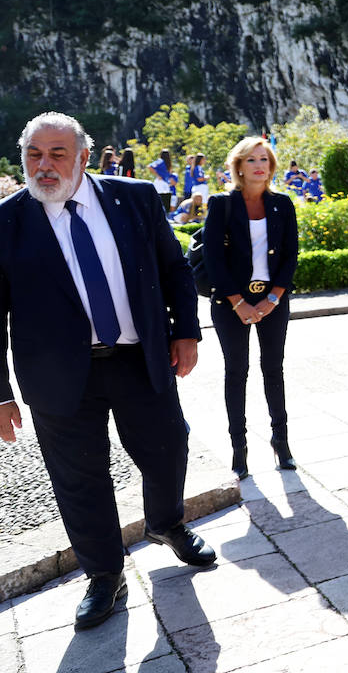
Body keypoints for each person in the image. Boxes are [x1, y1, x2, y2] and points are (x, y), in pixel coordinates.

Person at [0, 113, 215, 630]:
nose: (44, 166)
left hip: (139, 358)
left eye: (56, 155)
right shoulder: (6, 222)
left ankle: (167, 523)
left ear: (84, 158)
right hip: (55, 376)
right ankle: (103, 575)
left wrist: (186, 330)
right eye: (34, 154)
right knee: (79, 479)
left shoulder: (135, 198)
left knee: (169, 450)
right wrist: (0, 393)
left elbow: (173, 267)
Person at [203, 136, 299, 479]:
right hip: (231, 303)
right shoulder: (221, 204)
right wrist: (238, 302)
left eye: (265, 159)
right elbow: (213, 258)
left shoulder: (283, 204)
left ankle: (281, 440)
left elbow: (291, 255)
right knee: (236, 372)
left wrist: (273, 297)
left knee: (274, 369)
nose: (260, 165)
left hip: (273, 301)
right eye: (252, 160)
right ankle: (238, 448)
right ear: (239, 167)